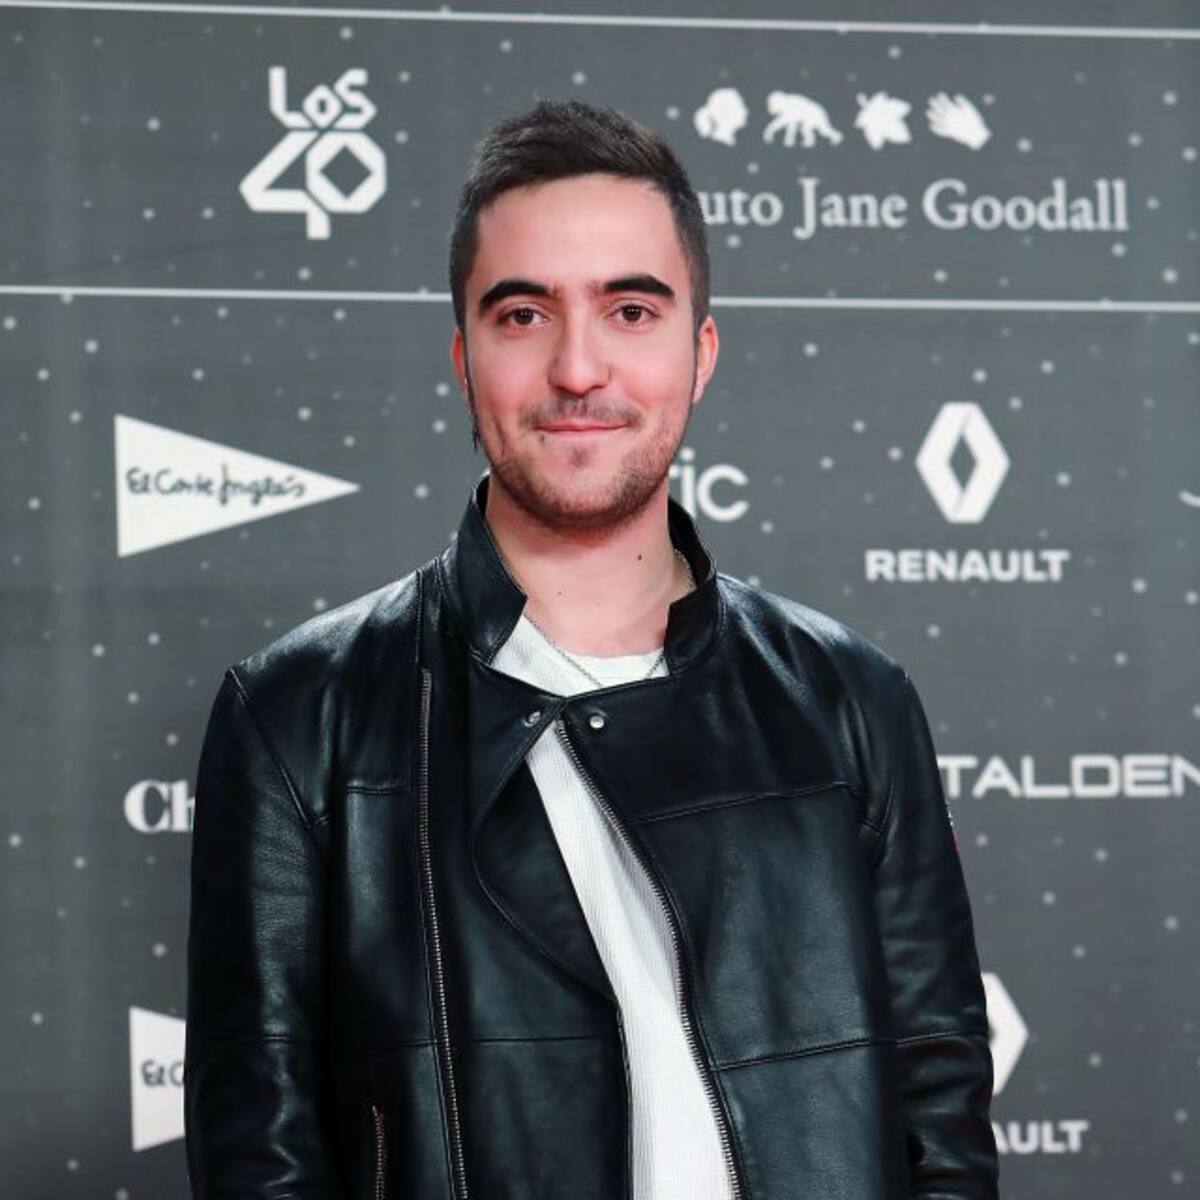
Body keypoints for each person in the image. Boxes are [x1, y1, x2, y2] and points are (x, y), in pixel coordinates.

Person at [184, 98, 998, 1199]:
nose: (579, 369)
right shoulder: (298, 717)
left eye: (630, 310)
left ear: (700, 353)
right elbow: (261, 1159)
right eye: (524, 315)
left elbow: (940, 1125)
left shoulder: (851, 697)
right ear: (463, 357)